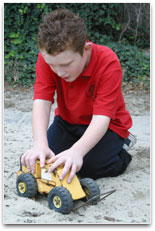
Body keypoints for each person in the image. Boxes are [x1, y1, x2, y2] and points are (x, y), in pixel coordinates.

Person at [21, 8, 136, 183]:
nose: (59, 72)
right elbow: (42, 101)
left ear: (86, 49)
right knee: (42, 161)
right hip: (67, 122)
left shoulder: (108, 62)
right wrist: (40, 144)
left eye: (66, 64)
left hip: (109, 126)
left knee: (88, 167)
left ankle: (122, 149)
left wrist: (76, 151)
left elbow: (102, 117)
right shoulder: (48, 59)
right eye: (53, 65)